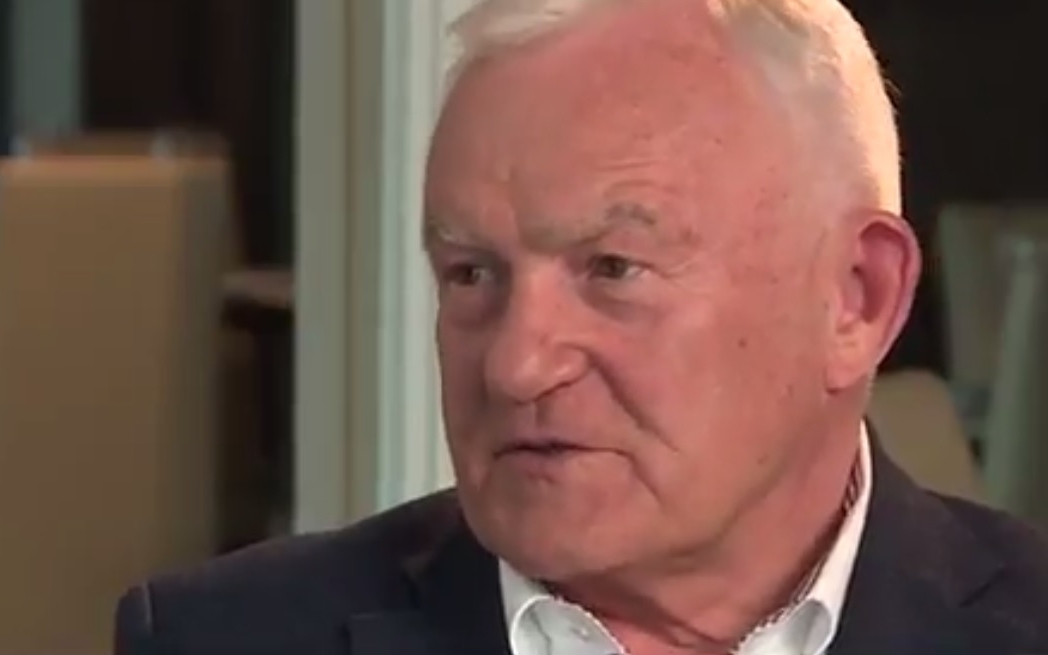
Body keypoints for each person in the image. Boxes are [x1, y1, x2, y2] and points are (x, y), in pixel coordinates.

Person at [114, 0, 1048, 653]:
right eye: (471, 273)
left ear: (856, 297)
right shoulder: (221, 638)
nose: (516, 365)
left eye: (613, 269)